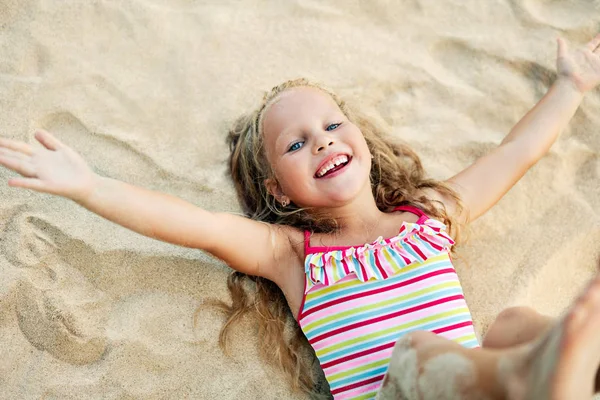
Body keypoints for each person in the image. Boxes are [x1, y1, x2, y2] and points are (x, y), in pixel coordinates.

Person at [0, 34, 599, 399]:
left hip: (480, 390)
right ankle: (544, 377)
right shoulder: (291, 256)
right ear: (278, 192)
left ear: (362, 140)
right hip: (407, 391)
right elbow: (190, 223)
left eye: (333, 125)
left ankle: (555, 371)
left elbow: (514, 154)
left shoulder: (428, 218)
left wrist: (571, 85)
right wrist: (88, 185)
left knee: (516, 322)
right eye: (296, 144)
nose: (321, 141)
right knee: (417, 354)